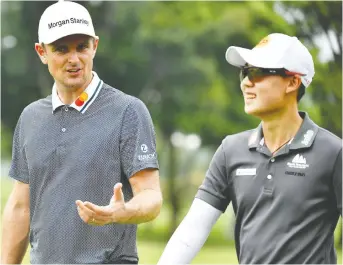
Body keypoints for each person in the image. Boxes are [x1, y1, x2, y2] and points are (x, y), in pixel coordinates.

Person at [157, 33, 342, 264]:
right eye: (245, 72)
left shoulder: (333, 153)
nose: (246, 82)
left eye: (258, 72)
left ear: (293, 82)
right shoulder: (231, 150)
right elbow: (191, 231)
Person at [1, 1, 162, 264]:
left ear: (95, 46)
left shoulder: (128, 111)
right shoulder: (30, 117)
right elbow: (21, 207)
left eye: (82, 47)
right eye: (61, 49)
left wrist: (121, 212)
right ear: (42, 52)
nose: (74, 59)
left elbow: (152, 197)